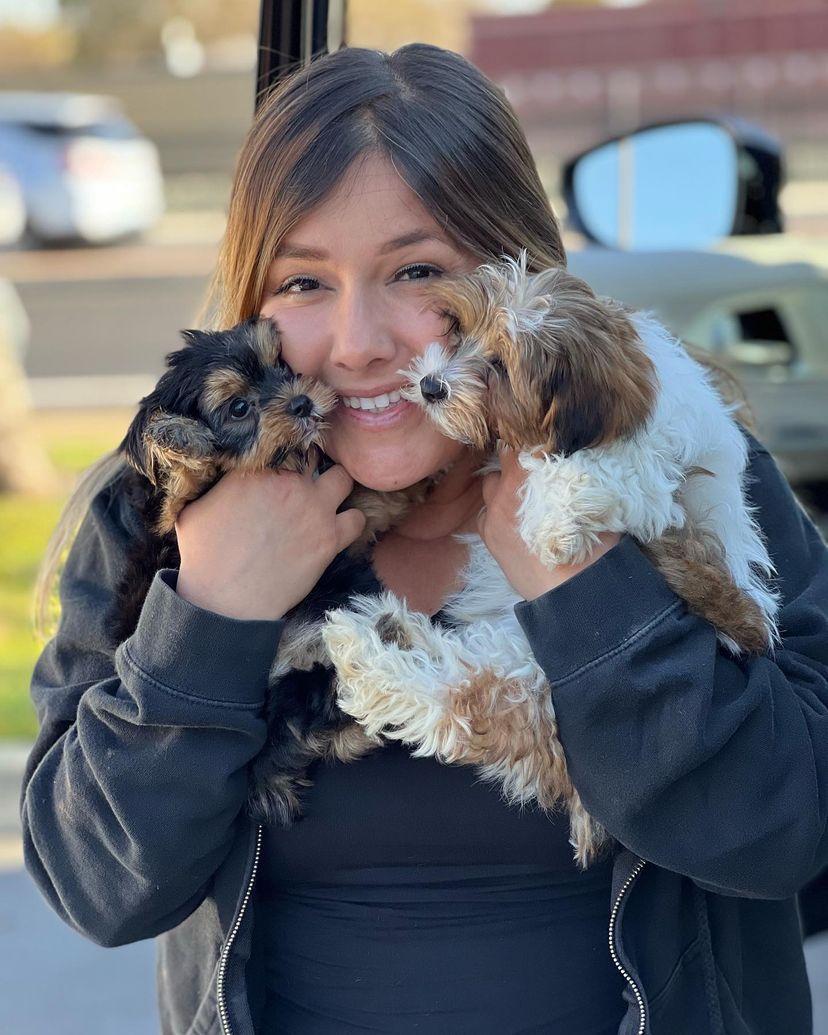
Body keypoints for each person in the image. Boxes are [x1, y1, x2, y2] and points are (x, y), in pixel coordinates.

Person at [21, 44, 828, 1035]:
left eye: (417, 272)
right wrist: (214, 617)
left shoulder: (684, 472)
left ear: (510, 278)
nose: (360, 342)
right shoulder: (169, 512)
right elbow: (99, 886)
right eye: (305, 284)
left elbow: (791, 838)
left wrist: (585, 584)